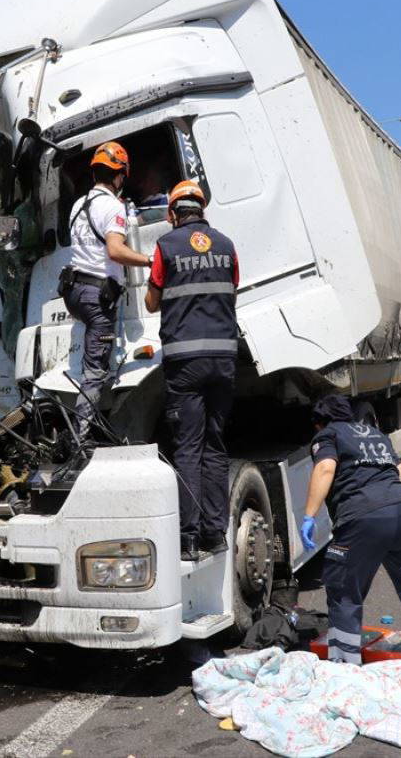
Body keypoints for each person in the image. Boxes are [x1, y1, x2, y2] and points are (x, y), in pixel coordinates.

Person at [299, 394, 401, 670]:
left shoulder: (328, 435)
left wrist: (309, 515)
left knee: (343, 592)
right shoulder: (375, 434)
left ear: (319, 423)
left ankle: (344, 668)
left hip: (363, 516)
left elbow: (326, 467)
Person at [145, 180, 240, 560]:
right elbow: (232, 287)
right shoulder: (227, 245)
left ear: (172, 214)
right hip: (223, 360)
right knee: (214, 447)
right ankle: (215, 535)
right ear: (202, 209)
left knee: (187, 448)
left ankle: (188, 538)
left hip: (185, 363)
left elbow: (152, 301)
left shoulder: (166, 246)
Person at [60, 142, 153, 442]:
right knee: (96, 371)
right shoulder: (114, 207)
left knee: (93, 363)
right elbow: (115, 250)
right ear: (120, 175)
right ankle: (80, 439)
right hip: (96, 297)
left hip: (74, 292)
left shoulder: (78, 205)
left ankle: (91, 422)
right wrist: (150, 260)